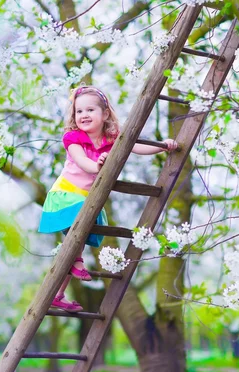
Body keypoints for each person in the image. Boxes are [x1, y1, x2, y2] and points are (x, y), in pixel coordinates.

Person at [39, 85, 178, 312]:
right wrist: (97, 166)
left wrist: (162, 147)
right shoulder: (73, 138)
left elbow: (136, 145)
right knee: (75, 241)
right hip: (66, 195)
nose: (83, 115)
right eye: (79, 111)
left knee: (77, 242)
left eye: (90, 110)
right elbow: (82, 161)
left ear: (104, 114)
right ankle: (75, 266)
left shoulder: (111, 137)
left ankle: (59, 292)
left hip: (87, 198)